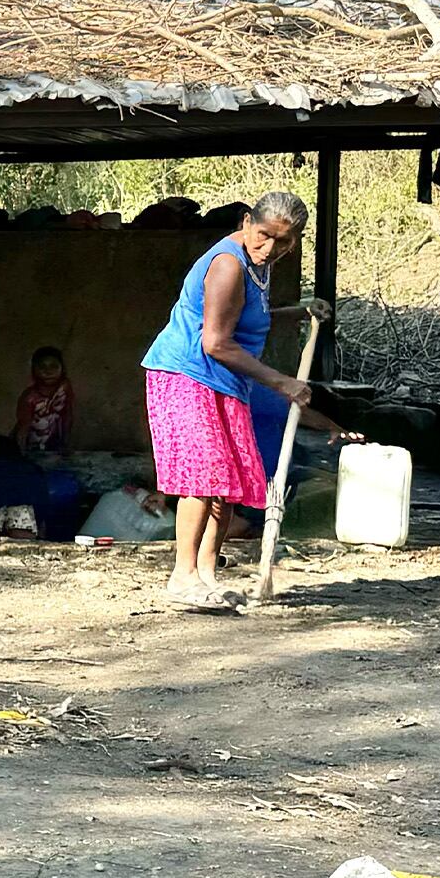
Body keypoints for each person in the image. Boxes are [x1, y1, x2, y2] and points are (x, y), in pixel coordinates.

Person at [141, 191, 352, 609]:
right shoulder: (227, 264)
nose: (271, 247)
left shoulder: (260, 265)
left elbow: (244, 316)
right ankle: (182, 576)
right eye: (264, 235)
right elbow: (217, 342)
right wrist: (281, 382)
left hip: (227, 380)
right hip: (188, 375)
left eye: (284, 241)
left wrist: (299, 311)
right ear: (245, 221)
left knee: (228, 481)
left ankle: (206, 574)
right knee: (202, 479)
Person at [14, 347, 77, 458]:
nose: (48, 371)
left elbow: (67, 415)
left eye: (54, 366)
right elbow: (23, 429)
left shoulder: (64, 388)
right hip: (29, 446)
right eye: (42, 367)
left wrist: (66, 443)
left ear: (62, 369)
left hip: (53, 444)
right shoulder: (29, 397)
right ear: (34, 370)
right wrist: (20, 455)